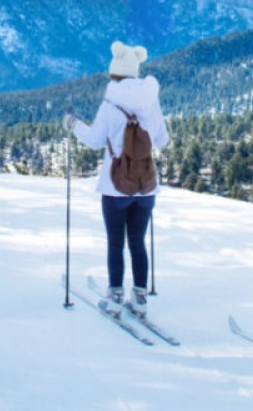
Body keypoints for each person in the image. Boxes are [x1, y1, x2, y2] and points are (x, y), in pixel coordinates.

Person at [64, 41, 170, 319]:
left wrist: (74, 125)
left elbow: (95, 140)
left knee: (116, 242)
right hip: (146, 185)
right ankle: (140, 298)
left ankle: (114, 298)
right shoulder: (151, 100)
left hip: (115, 186)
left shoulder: (110, 103)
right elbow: (162, 140)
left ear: (115, 73)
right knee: (138, 241)